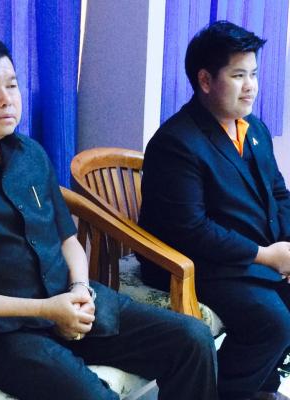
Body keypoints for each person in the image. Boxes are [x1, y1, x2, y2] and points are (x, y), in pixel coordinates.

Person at [0, 34, 218, 400]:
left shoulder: (29, 153)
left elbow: (67, 240)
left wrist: (79, 289)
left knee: (192, 339)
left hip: (65, 301)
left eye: (13, 85)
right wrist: (46, 310)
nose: (7, 99)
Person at [138, 20, 290, 400]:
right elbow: (191, 230)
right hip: (191, 264)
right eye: (238, 75)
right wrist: (266, 256)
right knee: (270, 321)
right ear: (205, 80)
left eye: (253, 74)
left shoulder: (253, 129)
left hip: (242, 256)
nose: (251, 86)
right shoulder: (177, 142)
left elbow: (278, 195)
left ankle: (261, 388)